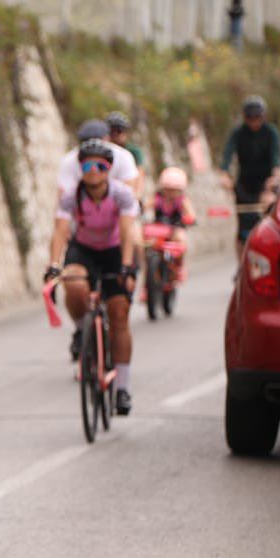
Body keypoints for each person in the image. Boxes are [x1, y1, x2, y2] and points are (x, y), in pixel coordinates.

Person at [44, 139, 140, 415]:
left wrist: (125, 267)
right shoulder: (71, 196)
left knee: (119, 314)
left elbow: (126, 233)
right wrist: (53, 264)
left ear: (109, 169)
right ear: (80, 169)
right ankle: (81, 328)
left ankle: (122, 387)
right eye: (87, 165)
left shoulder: (122, 194)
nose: (93, 170)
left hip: (114, 250)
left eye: (100, 165)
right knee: (72, 284)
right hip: (83, 249)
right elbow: (61, 231)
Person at [219, 95, 280, 258]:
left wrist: (274, 177)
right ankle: (240, 265)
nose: (254, 122)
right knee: (242, 229)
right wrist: (224, 175)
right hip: (244, 185)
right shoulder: (238, 133)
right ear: (244, 117)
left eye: (257, 118)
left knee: (267, 224)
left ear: (263, 116)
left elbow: (277, 159)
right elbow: (227, 156)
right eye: (250, 118)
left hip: (265, 185)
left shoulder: (271, 133)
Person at [57, 119, 140, 198]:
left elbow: (130, 191)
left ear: (107, 139)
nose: (92, 145)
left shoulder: (123, 157)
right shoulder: (69, 160)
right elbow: (64, 196)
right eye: (87, 141)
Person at [151, 166, 196, 281]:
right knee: (147, 247)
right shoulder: (157, 198)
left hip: (175, 229)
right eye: (167, 189)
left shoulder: (182, 200)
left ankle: (179, 265)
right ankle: (148, 280)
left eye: (173, 190)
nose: (170, 193)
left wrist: (189, 218)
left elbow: (190, 212)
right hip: (159, 229)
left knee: (180, 240)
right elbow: (147, 206)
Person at [106, 111, 147, 183]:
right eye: (111, 130)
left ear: (126, 132)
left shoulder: (133, 151)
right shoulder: (102, 149)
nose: (115, 134)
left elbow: (140, 173)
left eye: (119, 130)